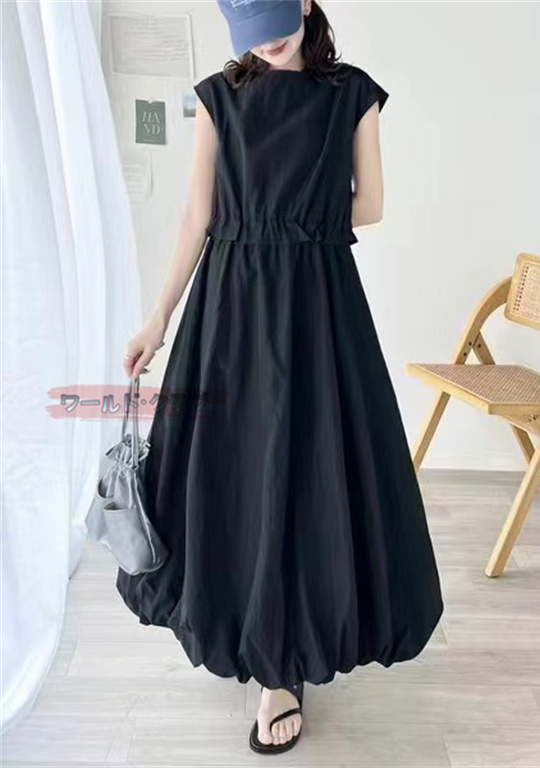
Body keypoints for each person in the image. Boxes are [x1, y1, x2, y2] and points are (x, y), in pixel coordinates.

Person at [117, 0, 443, 755]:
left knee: (307, 473)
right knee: (238, 475)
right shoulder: (217, 97)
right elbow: (196, 217)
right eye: (250, 31)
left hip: (316, 307)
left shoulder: (353, 94)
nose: (264, 43)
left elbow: (375, 207)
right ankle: (256, 638)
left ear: (305, 2)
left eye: (274, 22)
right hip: (231, 306)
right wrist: (157, 318)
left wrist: (289, 220)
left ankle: (281, 670)